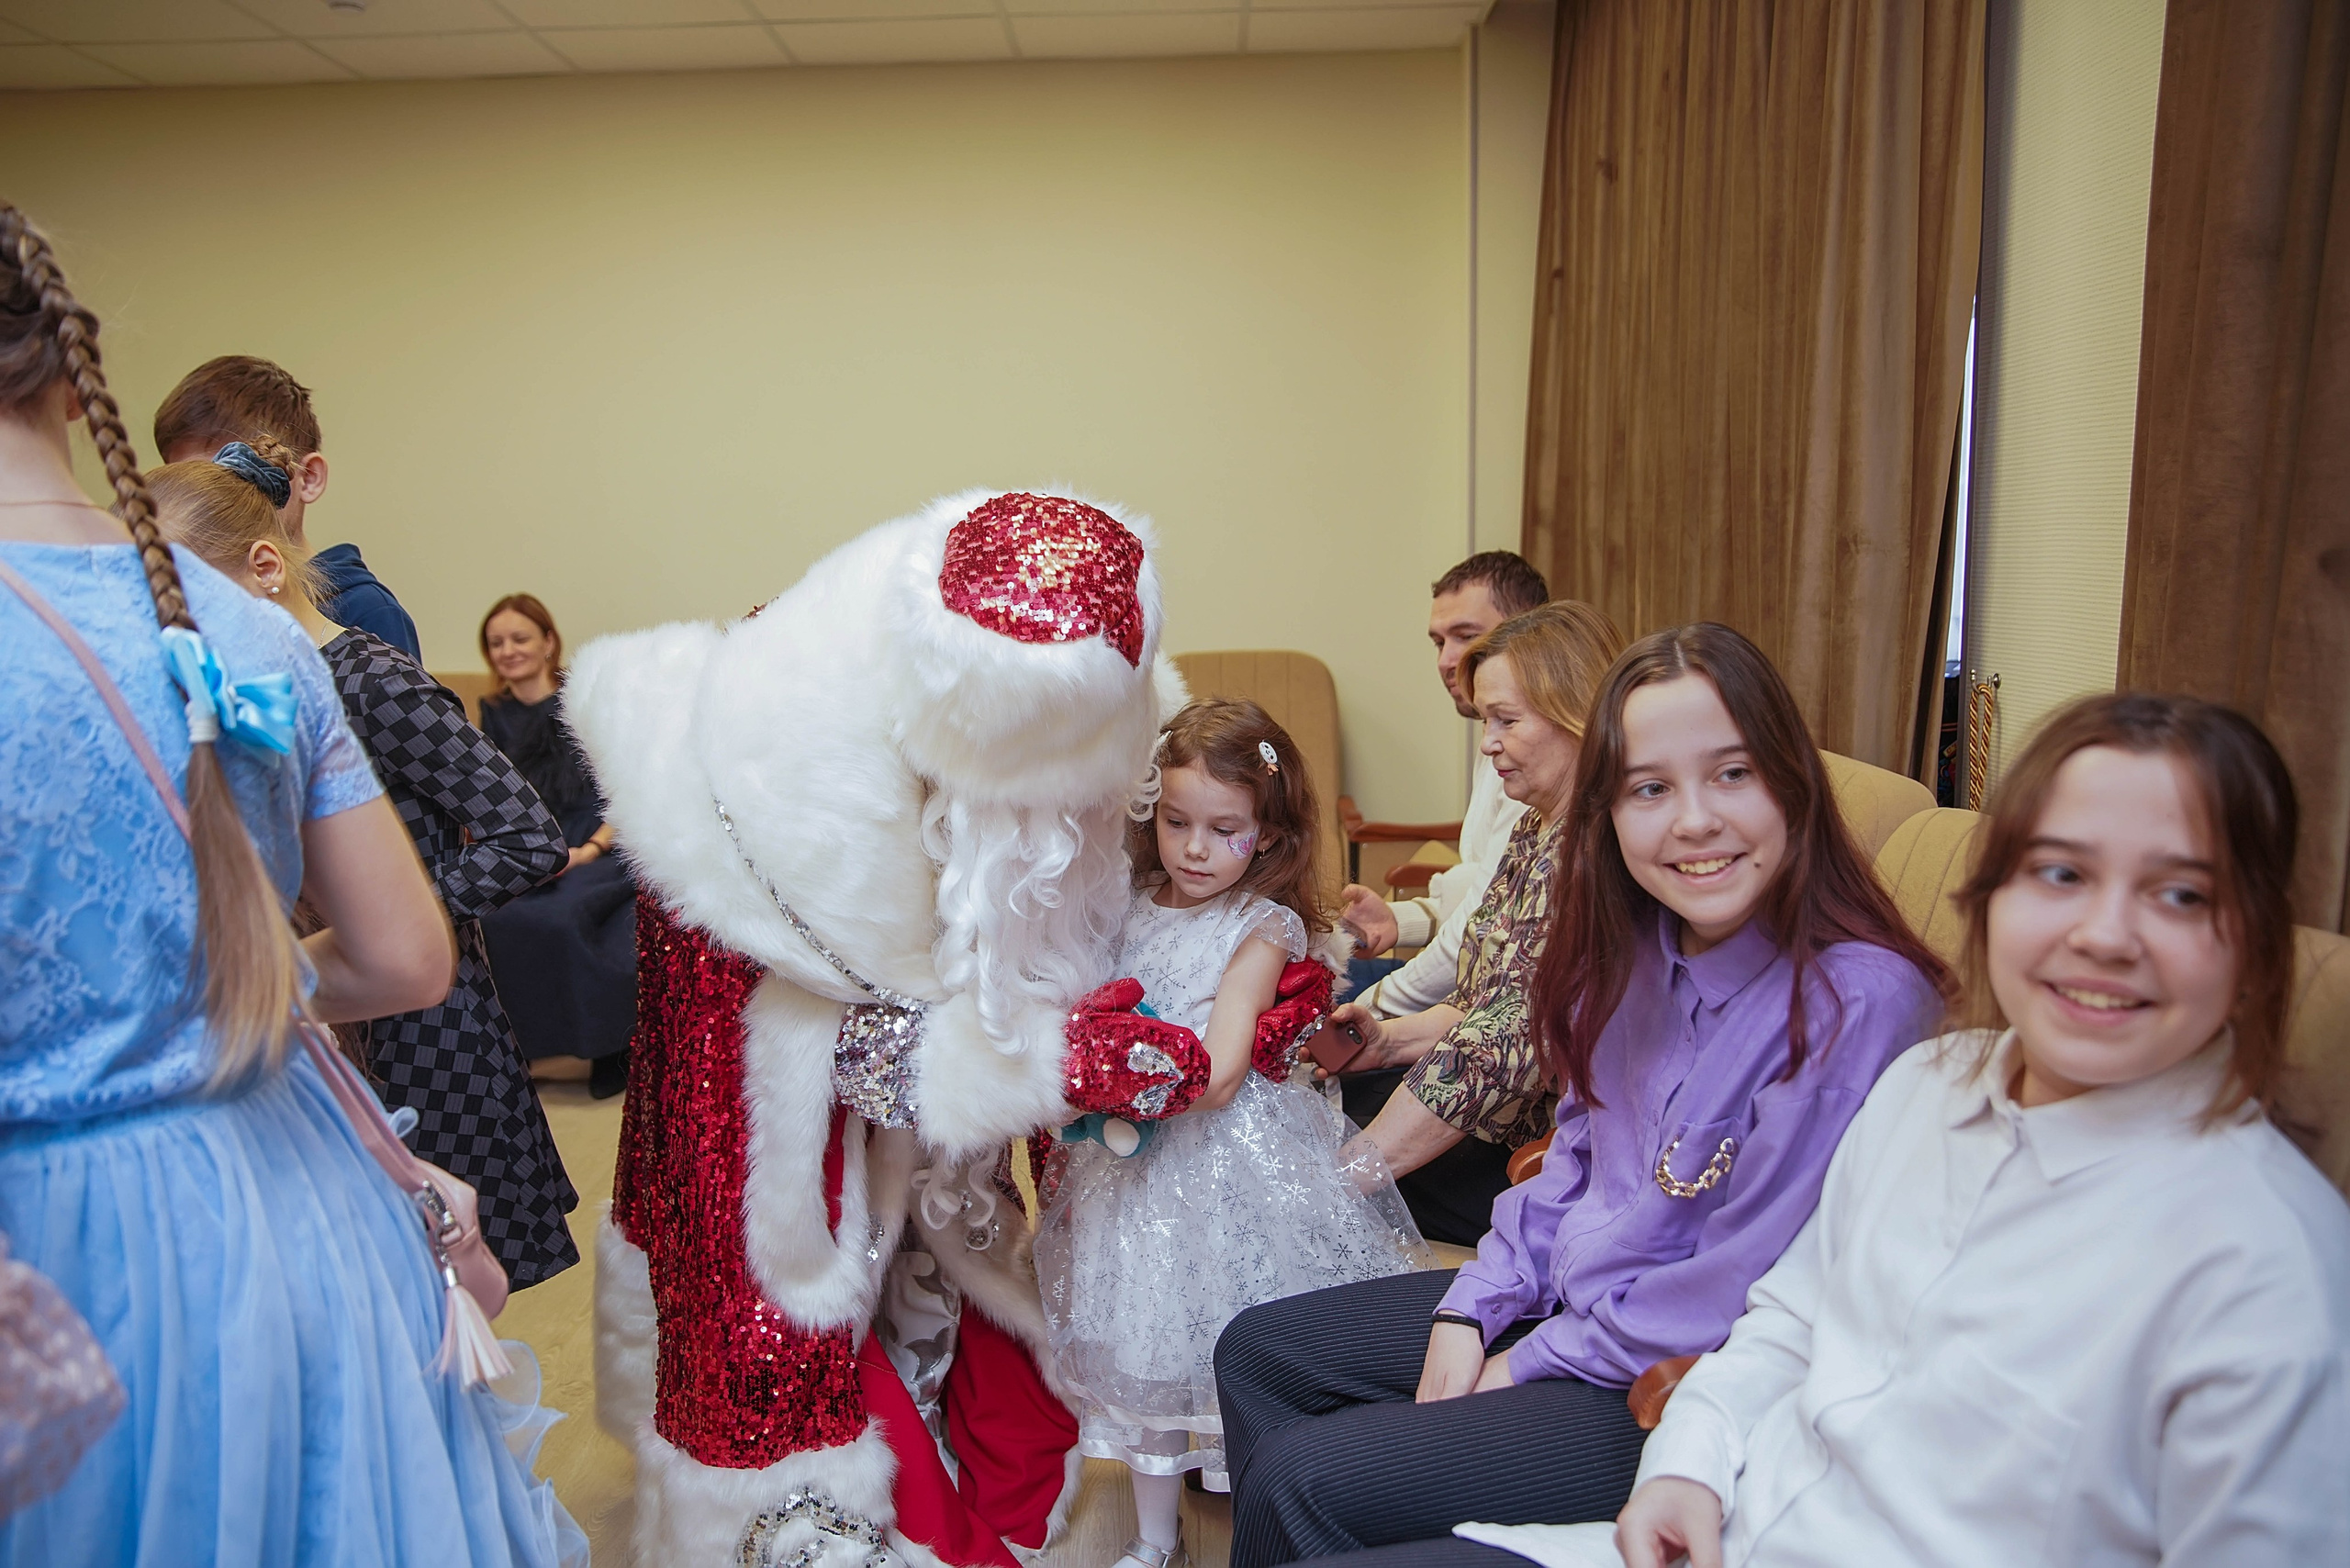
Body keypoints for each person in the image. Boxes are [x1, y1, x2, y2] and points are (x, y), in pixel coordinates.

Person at [0, 203, 577, 1566]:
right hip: (286, 1189)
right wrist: (227, 989)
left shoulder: (311, 639)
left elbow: (498, 860)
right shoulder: (251, 633)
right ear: (70, 377)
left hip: (63, 1239)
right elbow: (399, 955)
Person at [1458, 693, 2350, 1568]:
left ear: (2253, 947)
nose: (2105, 935)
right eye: (2062, 874)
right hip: (1717, 1522)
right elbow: (1792, 1313)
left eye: (2182, 894)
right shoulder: (1929, 1085)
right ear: (1991, 898)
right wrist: (1688, 1463)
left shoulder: (2269, 1271)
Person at [1213, 622, 1950, 1568]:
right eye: (1650, 788)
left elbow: (1739, 1283)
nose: (1693, 820)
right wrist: (1474, 1305)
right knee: (1257, 1352)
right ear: (1608, 812)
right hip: (1569, 1305)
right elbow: (1571, 1162)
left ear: (1792, 785)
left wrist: (1524, 1363)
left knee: (1302, 1478)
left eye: (1731, 774)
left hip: (1667, 1381)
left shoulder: (1854, 1003)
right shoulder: (1637, 951)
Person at [151, 441, 583, 1290]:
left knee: (450, 1289)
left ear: (265, 568)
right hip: (329, 1022)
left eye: (185, 600)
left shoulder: (371, 678)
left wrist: (391, 916)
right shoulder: (244, 692)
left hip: (427, 1032)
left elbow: (529, 837)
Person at [1035, 699, 1430, 1568]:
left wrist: (1122, 1080)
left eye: (1225, 831)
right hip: (1131, 1171)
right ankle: (1154, 1538)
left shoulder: (1259, 926)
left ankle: (1272, 1513)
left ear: (1270, 833)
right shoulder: (1130, 902)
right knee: (1145, 1339)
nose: (1195, 849)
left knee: (1236, 1333)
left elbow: (1217, 1075)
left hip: (1224, 1164)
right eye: (1177, 822)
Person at [1321, 601, 1625, 1244]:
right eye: (1487, 720)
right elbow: (1481, 1003)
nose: (1488, 743)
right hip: (1501, 1108)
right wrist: (1385, 1041)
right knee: (1310, 1100)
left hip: (1556, 1152)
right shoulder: (1537, 826)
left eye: (1506, 720)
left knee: (1306, 1152)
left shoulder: (1599, 849)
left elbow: (1508, 1043)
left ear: (1578, 712)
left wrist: (1337, 1182)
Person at [1338, 550, 1549, 1014]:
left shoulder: (1538, 761)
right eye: (1439, 642)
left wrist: (1368, 1015)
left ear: (1529, 633)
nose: (1447, 660)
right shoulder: (1493, 739)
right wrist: (1400, 919)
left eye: (1467, 637)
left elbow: (1484, 925)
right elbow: (1483, 887)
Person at [153, 353, 421, 660]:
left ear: (309, 478)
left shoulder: (370, 612)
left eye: (233, 478)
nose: (212, 506)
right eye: (192, 488)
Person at [473, 594, 635, 1097]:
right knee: (496, 919)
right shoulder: (492, 715)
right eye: (496, 643)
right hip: (528, 849)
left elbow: (625, 790)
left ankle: (609, 1049)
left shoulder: (584, 702)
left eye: (519, 639)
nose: (508, 651)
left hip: (599, 845)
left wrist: (590, 850)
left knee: (567, 917)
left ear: (548, 642)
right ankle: (523, 1052)